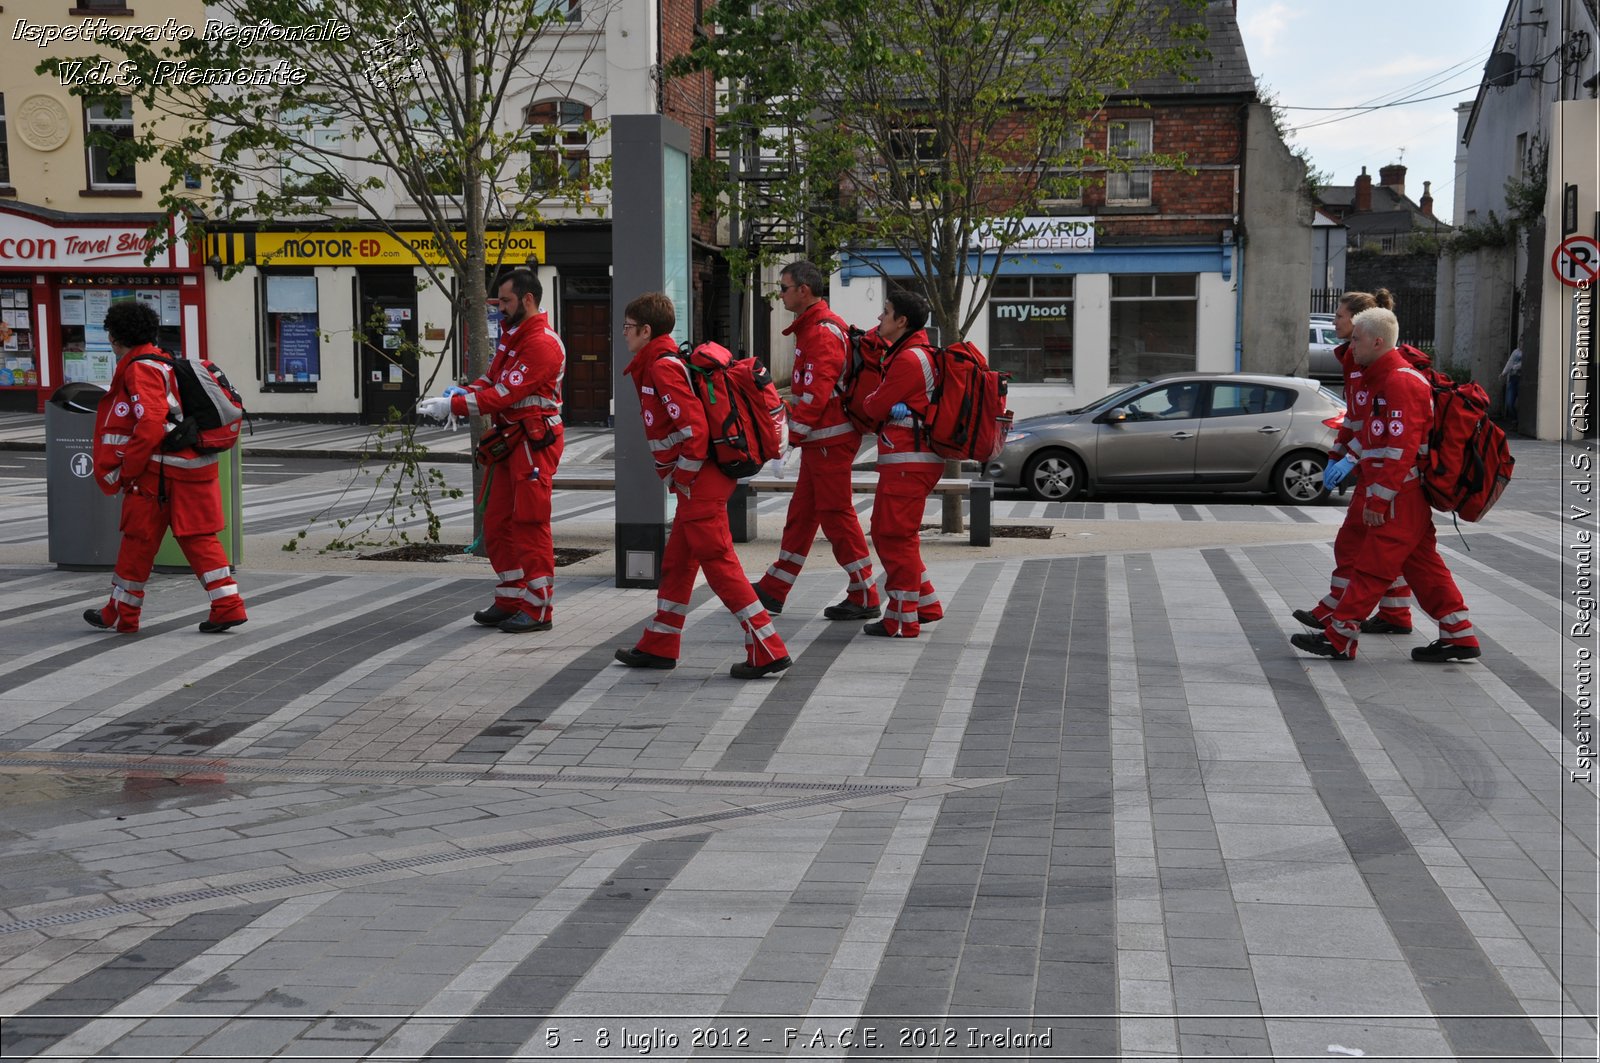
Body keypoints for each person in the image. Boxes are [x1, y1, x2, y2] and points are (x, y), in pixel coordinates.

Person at [613, 292, 792, 678]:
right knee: (678, 562)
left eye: (628, 328)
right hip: (700, 481)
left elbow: (692, 432)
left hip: (700, 483)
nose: (623, 335)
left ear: (646, 330)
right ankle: (660, 643)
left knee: (719, 564)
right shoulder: (659, 362)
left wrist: (682, 477)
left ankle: (767, 647)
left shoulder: (661, 367)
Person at [1290, 307, 1480, 663]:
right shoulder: (1383, 378)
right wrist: (1345, 456)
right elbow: (1373, 436)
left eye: (1356, 339)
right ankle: (1459, 634)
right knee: (1423, 567)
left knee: (1372, 567)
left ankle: (1340, 636)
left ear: (1377, 341)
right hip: (1398, 493)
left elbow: (1399, 449)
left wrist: (1378, 501)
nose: (1350, 346)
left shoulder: (1399, 382)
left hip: (1397, 494)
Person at [418, 270, 565, 633]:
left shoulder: (542, 343)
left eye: (506, 301)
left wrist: (454, 407)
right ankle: (511, 596)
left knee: (530, 523)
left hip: (532, 442)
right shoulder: (515, 336)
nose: (500, 308)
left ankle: (539, 607)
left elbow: (504, 395)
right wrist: (460, 392)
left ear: (527, 300)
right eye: (499, 301)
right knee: (497, 521)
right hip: (513, 439)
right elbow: (492, 380)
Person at [87, 301, 247, 634]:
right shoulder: (164, 360)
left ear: (115, 338)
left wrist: (128, 470)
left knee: (138, 539)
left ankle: (123, 613)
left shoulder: (139, 368)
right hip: (193, 464)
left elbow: (149, 423)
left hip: (159, 473)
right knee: (199, 537)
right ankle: (226, 604)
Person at [752, 261, 880, 622]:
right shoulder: (814, 329)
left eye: (785, 287)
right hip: (823, 441)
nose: (781, 293)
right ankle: (775, 588)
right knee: (803, 514)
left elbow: (815, 395)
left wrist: (788, 439)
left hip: (829, 441)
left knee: (836, 516)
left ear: (803, 291)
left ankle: (866, 592)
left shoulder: (821, 333)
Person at [1293, 290, 1418, 636]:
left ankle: (1337, 615)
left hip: (1383, 474)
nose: (1334, 323)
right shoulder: (1358, 358)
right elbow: (1356, 416)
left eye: (1340, 317)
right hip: (1376, 469)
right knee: (1396, 554)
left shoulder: (1366, 362)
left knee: (1357, 545)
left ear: (1361, 325)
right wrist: (1339, 454)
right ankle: (1395, 615)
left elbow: (1375, 424)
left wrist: (1350, 455)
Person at [858, 289, 944, 638]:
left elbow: (873, 408)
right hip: (908, 460)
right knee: (887, 531)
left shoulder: (909, 360)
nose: (880, 318)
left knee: (895, 536)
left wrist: (874, 400)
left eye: (886, 312)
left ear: (902, 321)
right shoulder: (911, 353)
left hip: (910, 461)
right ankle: (925, 604)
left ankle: (902, 619)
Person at [1500, 344, 1522, 427]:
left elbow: (1522, 364)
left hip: (1521, 378)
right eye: (1520, 341)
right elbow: (1510, 362)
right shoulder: (1515, 352)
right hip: (1513, 378)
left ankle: (1518, 422)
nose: (1521, 343)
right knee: (1509, 402)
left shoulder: (1526, 352)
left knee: (1520, 403)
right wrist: (1504, 373)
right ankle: (1514, 419)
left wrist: (1515, 367)